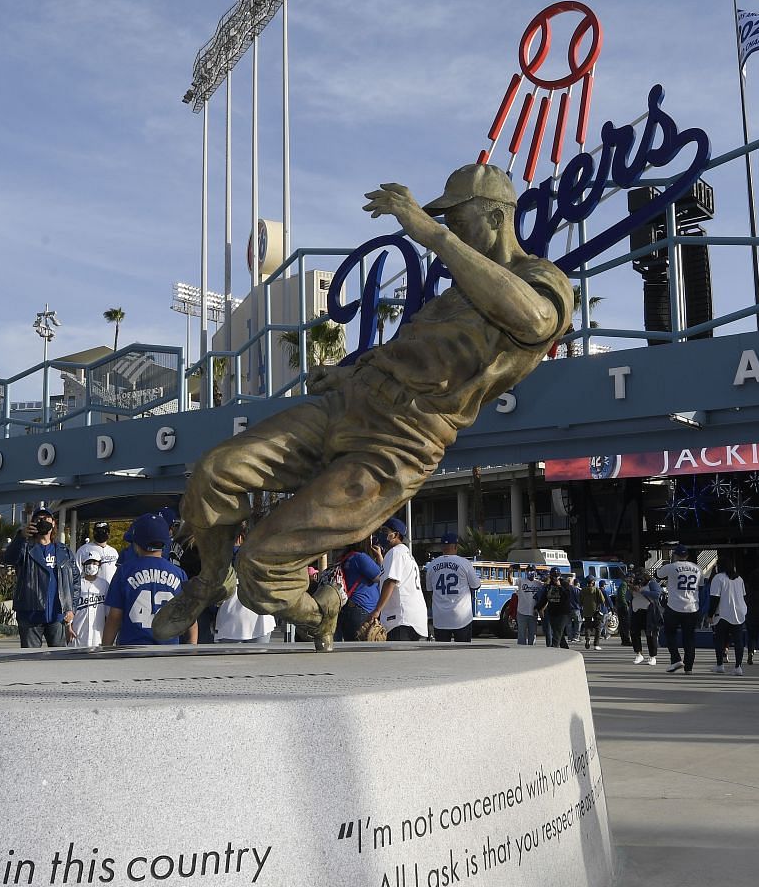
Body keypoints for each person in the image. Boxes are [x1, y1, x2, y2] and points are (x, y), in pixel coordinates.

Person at [151, 164, 573, 651]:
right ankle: (207, 581)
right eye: (447, 221)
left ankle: (318, 611)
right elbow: (406, 351)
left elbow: (535, 320)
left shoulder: (540, 278)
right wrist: (347, 372)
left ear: (496, 216)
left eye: (458, 217)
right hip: (349, 404)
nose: (451, 226)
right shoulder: (456, 293)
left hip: (401, 443)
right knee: (214, 471)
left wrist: (432, 235)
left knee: (261, 568)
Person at [103, 515, 196, 647]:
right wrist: (192, 647)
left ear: (137, 543)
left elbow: (114, 616)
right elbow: (190, 617)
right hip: (168, 651)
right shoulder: (178, 573)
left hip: (132, 650)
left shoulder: (124, 571)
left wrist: (106, 647)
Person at [0, 505, 74, 648]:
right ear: (33, 524)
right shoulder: (25, 548)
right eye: (38, 519)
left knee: (58, 661)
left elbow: (74, 581)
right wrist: (20, 536)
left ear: (53, 523)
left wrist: (71, 608)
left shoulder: (64, 551)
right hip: (30, 614)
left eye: (46, 518)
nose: (42, 521)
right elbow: (8, 558)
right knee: (30, 661)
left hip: (57, 615)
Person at [375, 519, 429, 642]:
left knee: (397, 660)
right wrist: (380, 559)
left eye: (385, 531)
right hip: (414, 619)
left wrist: (377, 611)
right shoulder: (405, 553)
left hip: (400, 620)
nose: (381, 534)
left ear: (396, 535)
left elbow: (390, 582)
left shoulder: (395, 552)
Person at [655, 547, 704, 673]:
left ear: (675, 555)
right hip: (692, 606)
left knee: (669, 633)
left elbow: (658, 575)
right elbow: (701, 586)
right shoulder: (697, 568)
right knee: (689, 638)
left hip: (674, 606)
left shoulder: (671, 567)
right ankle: (689, 667)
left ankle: (676, 659)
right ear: (687, 556)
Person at [425, 533, 480, 643]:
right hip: (461, 617)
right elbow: (476, 585)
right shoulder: (464, 563)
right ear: (456, 546)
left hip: (440, 617)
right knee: (463, 654)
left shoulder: (432, 565)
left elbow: (429, 589)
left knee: (443, 655)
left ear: (442, 547)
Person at [707, 555, 747, 674]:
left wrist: (710, 614)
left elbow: (715, 598)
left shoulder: (718, 578)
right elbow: (744, 595)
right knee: (738, 640)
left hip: (723, 613)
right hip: (739, 613)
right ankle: (738, 667)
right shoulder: (739, 578)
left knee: (719, 639)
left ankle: (720, 664)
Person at [337, 539, 384, 642]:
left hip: (349, 609)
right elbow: (380, 577)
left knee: (353, 648)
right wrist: (380, 558)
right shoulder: (360, 557)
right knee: (364, 650)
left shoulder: (346, 558)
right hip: (362, 610)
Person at [68, 551, 111, 648]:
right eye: (88, 563)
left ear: (99, 565)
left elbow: (108, 613)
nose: (92, 566)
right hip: (78, 631)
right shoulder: (76, 583)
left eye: (95, 563)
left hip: (98, 632)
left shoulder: (104, 584)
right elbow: (69, 608)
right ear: (83, 564)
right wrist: (68, 627)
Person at [539, 572, 574, 649]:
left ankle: (554, 648)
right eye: (553, 577)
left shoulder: (565, 584)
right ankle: (565, 648)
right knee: (557, 632)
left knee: (558, 631)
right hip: (553, 612)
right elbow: (544, 598)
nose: (555, 579)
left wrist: (559, 586)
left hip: (563, 613)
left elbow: (567, 596)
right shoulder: (549, 586)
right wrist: (539, 608)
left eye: (557, 577)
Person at [513, 566, 541, 646]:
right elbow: (511, 581)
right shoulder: (521, 581)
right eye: (529, 571)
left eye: (532, 571)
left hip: (533, 613)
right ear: (526, 572)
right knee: (521, 634)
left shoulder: (538, 584)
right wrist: (510, 572)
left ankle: (532, 651)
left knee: (532, 635)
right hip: (522, 612)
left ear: (535, 572)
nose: (530, 572)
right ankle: (521, 651)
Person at [579, 576, 606, 650]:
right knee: (598, 628)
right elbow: (602, 600)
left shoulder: (582, 590)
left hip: (586, 612)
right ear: (593, 582)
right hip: (596, 612)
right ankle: (596, 645)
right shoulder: (597, 590)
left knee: (587, 627)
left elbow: (580, 602)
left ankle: (587, 639)